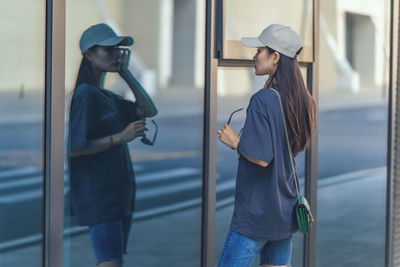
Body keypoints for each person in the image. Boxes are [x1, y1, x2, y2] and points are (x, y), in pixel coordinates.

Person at [217, 24, 317, 267]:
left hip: (257, 212)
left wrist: (235, 142)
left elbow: (261, 157)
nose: (254, 56)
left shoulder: (263, 99)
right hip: (285, 209)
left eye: (259, 50)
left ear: (275, 57)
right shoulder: (303, 101)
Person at [68, 23, 157, 267]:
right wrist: (120, 138)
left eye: (118, 50)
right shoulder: (85, 94)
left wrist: (126, 73)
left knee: (112, 260)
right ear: (89, 54)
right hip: (100, 198)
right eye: (108, 50)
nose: (116, 54)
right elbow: (75, 148)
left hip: (117, 198)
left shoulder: (105, 95)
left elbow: (148, 110)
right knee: (110, 262)